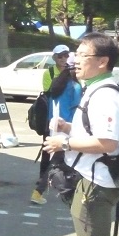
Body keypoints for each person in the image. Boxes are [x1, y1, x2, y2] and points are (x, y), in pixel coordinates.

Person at [44, 32, 119, 236]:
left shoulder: (105, 93)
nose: (75, 60)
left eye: (83, 55)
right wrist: (68, 127)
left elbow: (106, 141)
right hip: (95, 178)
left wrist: (64, 143)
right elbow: (95, 130)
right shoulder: (98, 88)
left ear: (102, 61)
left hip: (97, 182)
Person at [31, 45, 81, 205]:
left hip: (54, 125)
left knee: (59, 159)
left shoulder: (57, 85)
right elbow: (77, 107)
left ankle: (43, 190)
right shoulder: (75, 86)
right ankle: (40, 191)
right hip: (68, 127)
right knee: (60, 160)